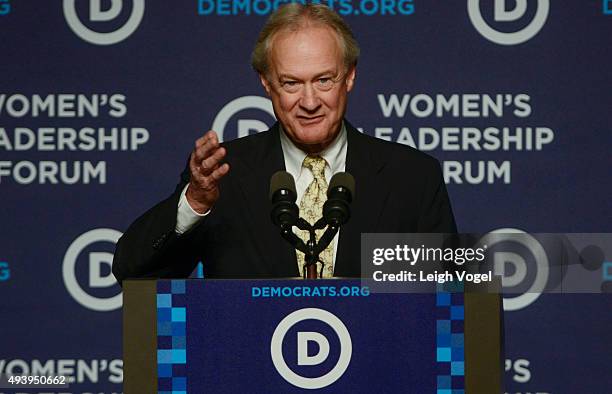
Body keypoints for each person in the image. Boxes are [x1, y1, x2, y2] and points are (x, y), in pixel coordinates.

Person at [111, 3, 456, 285]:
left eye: (324, 80)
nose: (309, 101)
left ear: (349, 76)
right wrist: (195, 203)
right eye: (291, 83)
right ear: (266, 82)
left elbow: (451, 301)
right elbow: (134, 272)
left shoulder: (411, 177)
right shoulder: (223, 176)